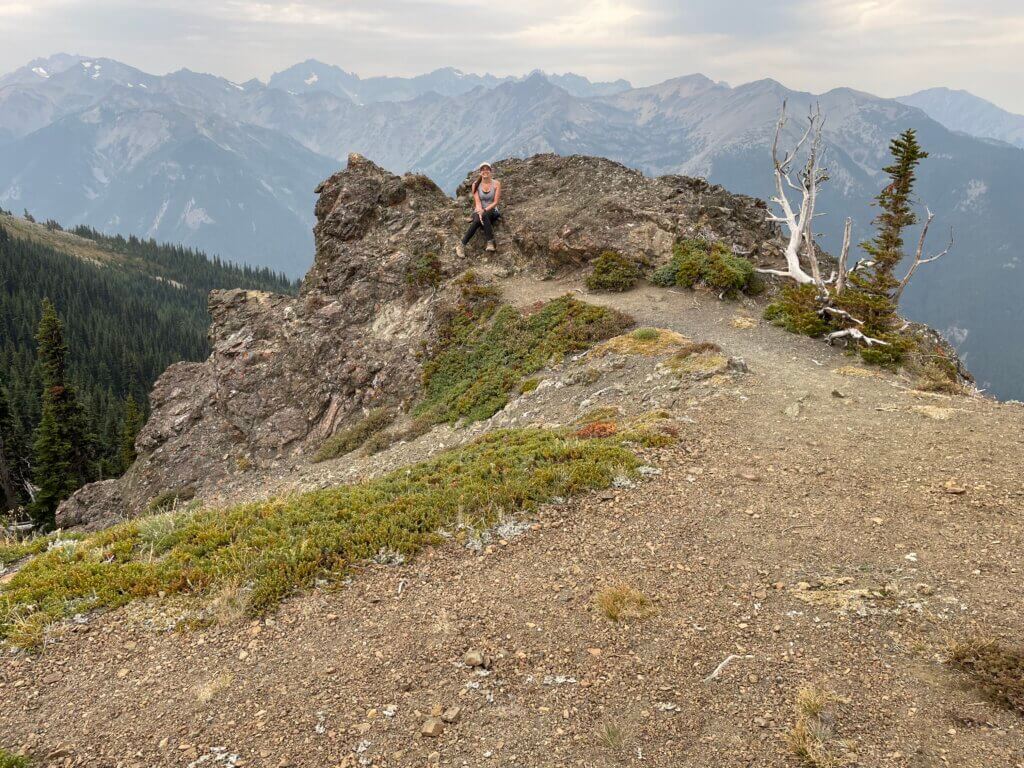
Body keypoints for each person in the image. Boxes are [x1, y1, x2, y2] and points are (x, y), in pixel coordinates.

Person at [456, 162, 502, 257]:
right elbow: (477, 202)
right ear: (480, 172)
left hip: (492, 210)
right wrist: (480, 212)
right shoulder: (475, 185)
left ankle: (462, 245)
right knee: (477, 220)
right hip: (479, 209)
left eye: (487, 169)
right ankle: (489, 242)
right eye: (483, 169)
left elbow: (495, 202)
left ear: (490, 171)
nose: (485, 171)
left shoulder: (496, 184)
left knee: (479, 218)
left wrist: (484, 211)